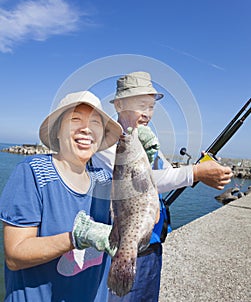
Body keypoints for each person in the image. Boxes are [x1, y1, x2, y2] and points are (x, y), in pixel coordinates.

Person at [90, 71, 233, 302]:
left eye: (151, 106)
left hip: (152, 244)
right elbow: (140, 181)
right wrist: (195, 173)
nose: (147, 113)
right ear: (118, 104)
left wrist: (202, 170)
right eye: (140, 105)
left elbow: (167, 174)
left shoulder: (145, 140)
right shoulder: (109, 141)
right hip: (122, 244)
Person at [0, 90, 122, 302]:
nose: (86, 129)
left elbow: (147, 219)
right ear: (57, 131)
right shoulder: (33, 173)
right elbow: (15, 254)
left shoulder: (104, 180)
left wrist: (141, 169)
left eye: (95, 122)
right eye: (75, 119)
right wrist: (75, 238)